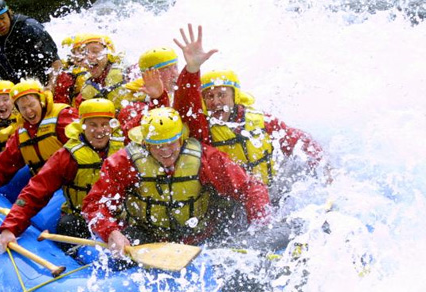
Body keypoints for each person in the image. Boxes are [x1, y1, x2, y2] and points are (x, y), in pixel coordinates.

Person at [81, 107, 271, 255]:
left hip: (198, 237)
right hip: (147, 236)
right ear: (145, 143)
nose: (165, 151)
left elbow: (251, 187)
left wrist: (261, 227)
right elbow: (94, 204)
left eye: (171, 143)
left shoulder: (206, 158)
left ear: (181, 138)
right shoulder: (123, 162)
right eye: (157, 145)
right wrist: (111, 232)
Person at [173, 24, 327, 196]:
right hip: (230, 199)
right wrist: (192, 69)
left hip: (270, 192)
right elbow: (185, 107)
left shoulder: (262, 122)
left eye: (221, 95)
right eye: (209, 96)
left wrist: (324, 169)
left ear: (235, 96)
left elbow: (299, 142)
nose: (216, 101)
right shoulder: (204, 129)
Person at [0, 98, 124, 250]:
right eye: (93, 125)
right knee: (68, 225)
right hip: (80, 217)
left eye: (104, 124)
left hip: (116, 216)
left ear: (112, 126)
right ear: (82, 126)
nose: (99, 131)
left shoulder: (124, 149)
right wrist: (10, 227)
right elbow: (36, 190)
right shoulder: (67, 156)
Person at [0, 79, 78, 203]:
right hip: (45, 182)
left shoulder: (63, 117)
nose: (29, 111)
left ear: (41, 101)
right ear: (18, 110)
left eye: (32, 105)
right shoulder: (22, 131)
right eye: (23, 108)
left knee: (40, 218)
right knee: (13, 196)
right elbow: (2, 165)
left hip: (71, 182)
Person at [0, 0, 62, 122]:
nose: (0, 24)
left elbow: (55, 62)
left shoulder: (30, 28)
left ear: (8, 14)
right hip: (17, 95)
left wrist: (50, 86)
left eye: (2, 18)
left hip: (47, 84)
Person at [117, 47, 180, 140]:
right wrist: (158, 99)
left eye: (175, 67)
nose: (175, 74)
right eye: (166, 69)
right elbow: (135, 136)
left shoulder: (177, 95)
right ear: (149, 75)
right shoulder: (132, 106)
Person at [69, 34, 130, 110]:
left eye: (95, 51)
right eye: (85, 53)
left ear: (109, 55)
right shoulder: (84, 93)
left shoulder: (128, 74)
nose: (90, 56)